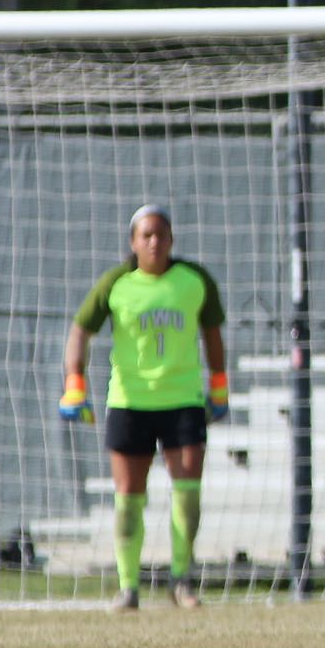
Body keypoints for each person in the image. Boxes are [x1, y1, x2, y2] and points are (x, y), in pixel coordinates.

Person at [61, 204, 228, 611]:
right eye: (146, 235)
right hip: (130, 402)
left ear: (172, 239)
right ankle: (128, 586)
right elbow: (81, 330)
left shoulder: (194, 280)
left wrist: (219, 387)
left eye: (161, 234)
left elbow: (212, 334)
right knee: (129, 497)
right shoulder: (116, 284)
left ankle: (182, 580)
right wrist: (74, 384)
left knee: (187, 493)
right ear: (133, 242)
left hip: (183, 400)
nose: (155, 242)